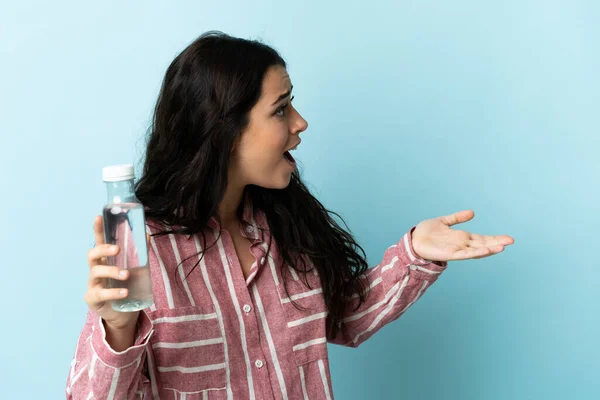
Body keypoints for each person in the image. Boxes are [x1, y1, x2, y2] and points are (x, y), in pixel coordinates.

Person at [65, 31, 514, 400]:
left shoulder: (285, 228)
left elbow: (344, 319)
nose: (300, 122)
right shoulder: (144, 251)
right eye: (281, 109)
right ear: (223, 129)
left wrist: (415, 252)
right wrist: (119, 330)